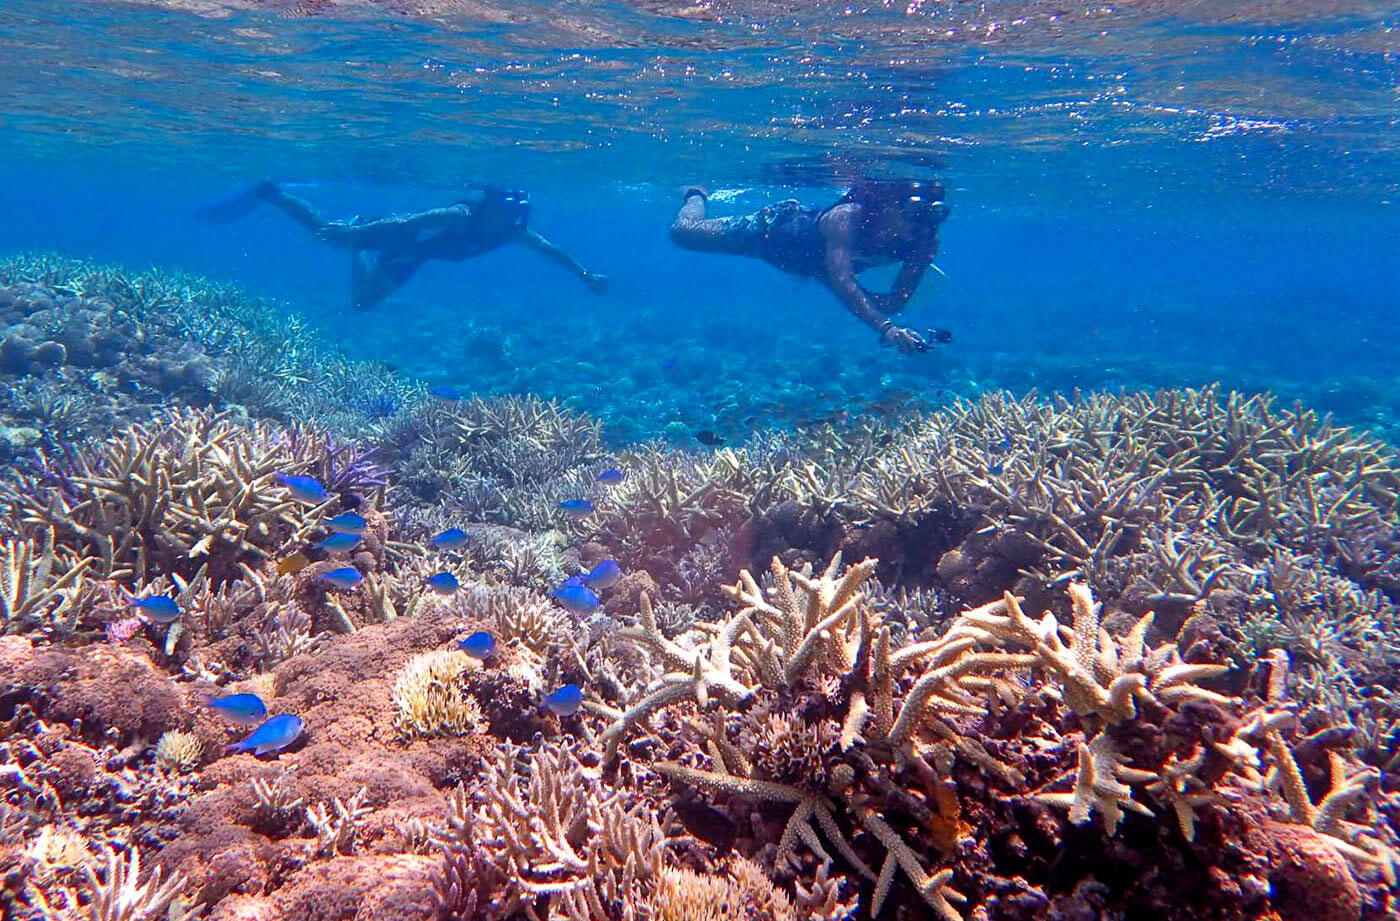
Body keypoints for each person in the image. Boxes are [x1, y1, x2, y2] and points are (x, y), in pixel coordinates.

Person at [214, 183, 608, 310]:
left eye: (514, 218)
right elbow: (410, 222)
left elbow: (550, 249)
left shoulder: (509, 232)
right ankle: (276, 195)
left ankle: (358, 245)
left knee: (361, 303)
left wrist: (585, 274)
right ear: (490, 208)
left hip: (415, 255)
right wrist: (353, 235)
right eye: (504, 216)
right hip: (401, 240)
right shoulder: (460, 215)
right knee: (325, 230)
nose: (510, 223)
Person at [669, 179, 950, 354]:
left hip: (819, 268)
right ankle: (696, 192)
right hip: (770, 234)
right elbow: (842, 281)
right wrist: (887, 329)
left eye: (933, 216)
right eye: (914, 215)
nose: (921, 225)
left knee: (882, 306)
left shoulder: (925, 240)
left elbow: (895, 301)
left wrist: (887, 315)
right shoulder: (846, 218)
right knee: (682, 233)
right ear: (889, 206)